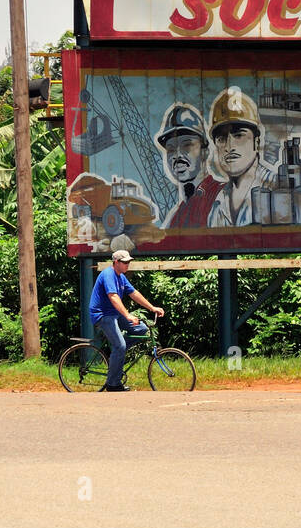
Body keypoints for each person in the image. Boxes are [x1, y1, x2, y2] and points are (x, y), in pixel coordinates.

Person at [87, 249, 164, 392]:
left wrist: (152, 308)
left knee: (141, 329)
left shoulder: (121, 277)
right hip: (103, 315)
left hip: (115, 314)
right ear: (116, 262)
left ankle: (117, 353)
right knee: (120, 346)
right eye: (125, 262)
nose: (128, 264)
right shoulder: (108, 275)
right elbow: (114, 298)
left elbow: (134, 294)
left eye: (129, 262)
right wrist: (128, 315)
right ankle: (113, 384)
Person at [205, 87, 276, 227]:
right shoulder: (218, 203)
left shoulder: (278, 188)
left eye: (238, 135)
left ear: (257, 142)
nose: (229, 145)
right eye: (221, 138)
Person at [154, 103, 223, 228]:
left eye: (187, 145)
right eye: (171, 149)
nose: (177, 155)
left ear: (205, 152)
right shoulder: (175, 215)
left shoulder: (222, 195)